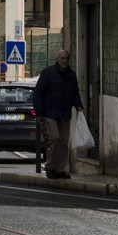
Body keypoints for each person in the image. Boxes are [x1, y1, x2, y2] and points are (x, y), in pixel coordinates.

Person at [33, 49, 84, 180]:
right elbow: (38, 93)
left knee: (64, 142)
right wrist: (38, 113)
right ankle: (50, 166)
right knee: (55, 138)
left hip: (65, 114)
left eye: (67, 58)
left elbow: (75, 92)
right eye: (62, 58)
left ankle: (60, 169)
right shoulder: (48, 73)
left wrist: (79, 105)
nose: (65, 61)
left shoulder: (71, 75)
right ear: (57, 59)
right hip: (49, 113)